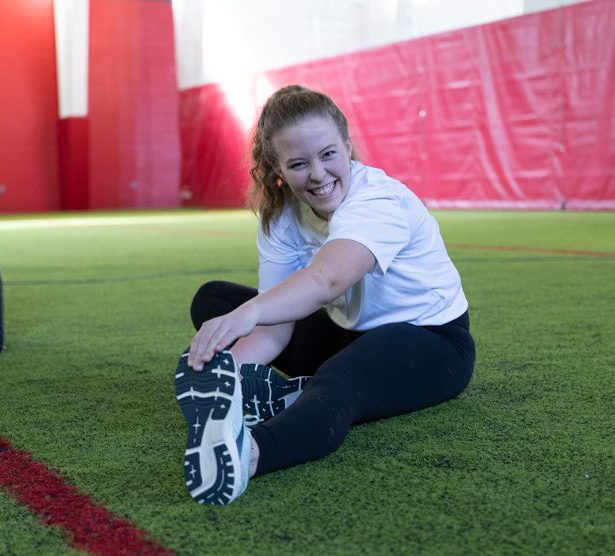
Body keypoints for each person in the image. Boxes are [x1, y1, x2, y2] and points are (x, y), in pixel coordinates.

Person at [174, 85, 475, 506]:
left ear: (348, 145)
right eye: (298, 163)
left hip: (429, 342)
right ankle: (293, 392)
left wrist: (249, 314)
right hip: (349, 334)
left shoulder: (376, 200)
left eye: (328, 155)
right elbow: (276, 330)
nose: (317, 174)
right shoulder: (281, 214)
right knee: (215, 302)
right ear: (276, 168)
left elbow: (326, 281)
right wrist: (225, 377)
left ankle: (249, 454)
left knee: (341, 379)